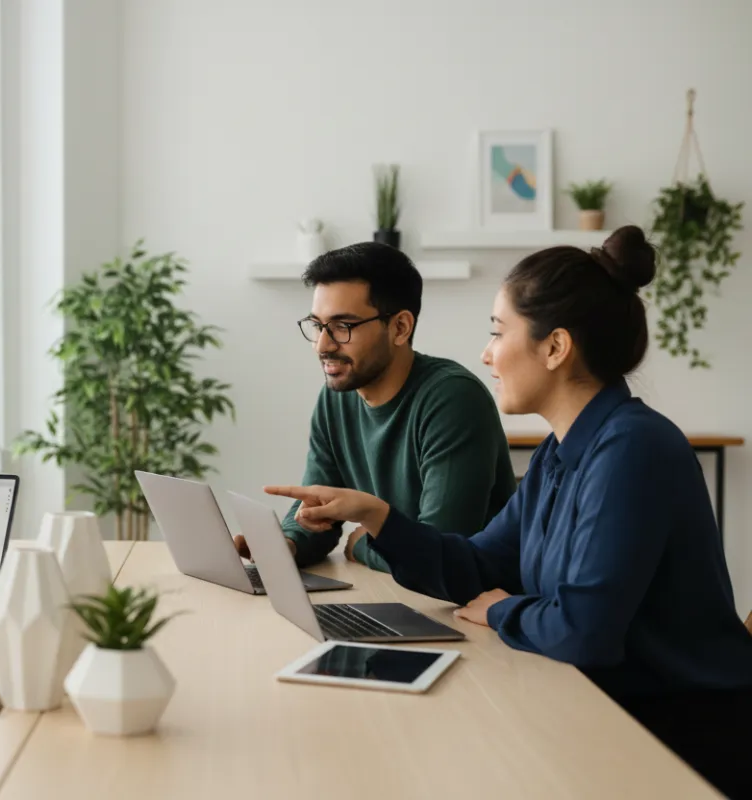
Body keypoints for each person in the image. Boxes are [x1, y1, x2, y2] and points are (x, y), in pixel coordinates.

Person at [265, 226, 752, 798]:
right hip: (598, 706)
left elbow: (583, 632)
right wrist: (379, 519)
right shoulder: (559, 453)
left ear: (555, 347)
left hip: (677, 739)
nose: (486, 353)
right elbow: (477, 565)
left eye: (498, 332)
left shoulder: (635, 450)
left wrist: (503, 612)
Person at [234, 243, 515, 571]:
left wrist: (362, 545)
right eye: (317, 325)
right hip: (398, 592)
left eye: (343, 327)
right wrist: (286, 545)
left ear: (400, 328)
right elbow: (317, 512)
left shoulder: (453, 399)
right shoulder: (337, 396)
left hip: (471, 602)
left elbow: (439, 550)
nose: (323, 345)